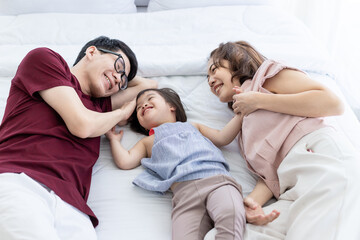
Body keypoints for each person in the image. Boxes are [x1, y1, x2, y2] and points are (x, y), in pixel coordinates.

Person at [0, 36, 156, 240]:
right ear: (91, 52)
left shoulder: (100, 108)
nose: (119, 79)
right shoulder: (44, 60)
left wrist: (117, 70)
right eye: (117, 66)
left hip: (73, 208)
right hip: (22, 182)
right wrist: (121, 114)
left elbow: (150, 85)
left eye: (123, 79)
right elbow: (81, 125)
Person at [207, 41, 360, 239]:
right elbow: (271, 173)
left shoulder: (265, 76)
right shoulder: (243, 130)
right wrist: (251, 204)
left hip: (323, 163)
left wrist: (259, 100)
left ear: (236, 59)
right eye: (207, 77)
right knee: (222, 234)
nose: (210, 80)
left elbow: (333, 103)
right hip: (291, 190)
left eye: (214, 69)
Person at [106, 88, 255, 240]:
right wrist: (114, 141)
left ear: (172, 106)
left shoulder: (193, 126)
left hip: (216, 180)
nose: (143, 105)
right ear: (143, 125)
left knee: (231, 214)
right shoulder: (146, 142)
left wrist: (241, 113)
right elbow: (125, 161)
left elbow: (223, 137)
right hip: (184, 196)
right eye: (139, 108)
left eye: (150, 99)